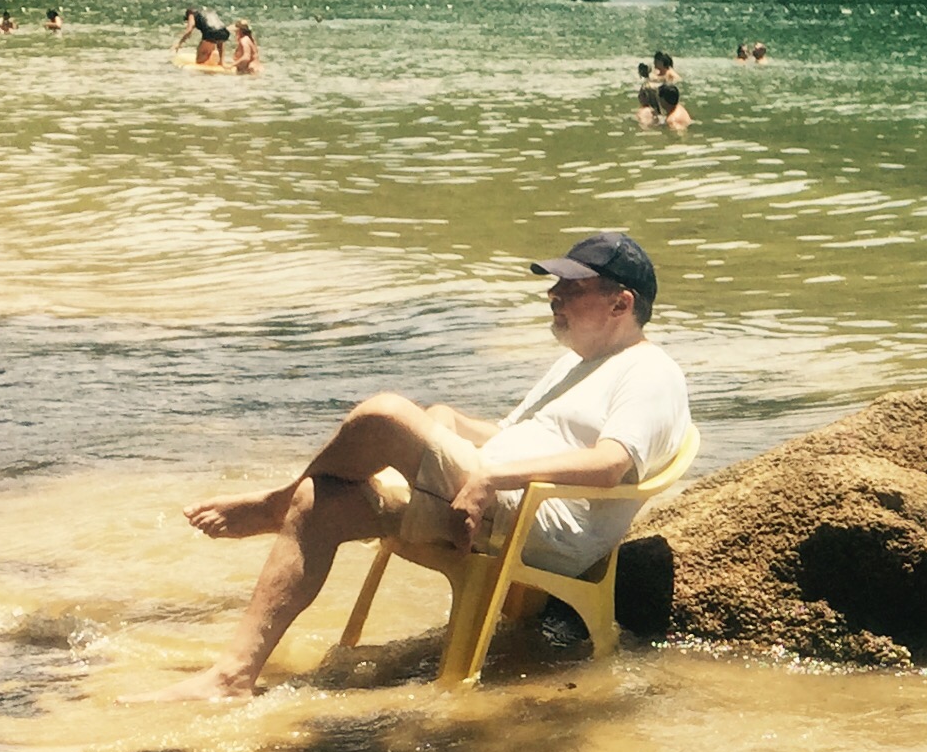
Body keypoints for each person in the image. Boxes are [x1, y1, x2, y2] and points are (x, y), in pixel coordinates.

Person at [137, 233, 689, 701]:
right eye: (556, 285)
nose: (553, 296)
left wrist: (489, 477)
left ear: (621, 303)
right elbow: (510, 436)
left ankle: (271, 504)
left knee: (383, 412)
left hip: (538, 524)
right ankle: (232, 676)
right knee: (321, 502)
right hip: (494, 500)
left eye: (571, 288)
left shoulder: (649, 371)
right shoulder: (578, 363)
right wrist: (449, 421)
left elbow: (611, 464)